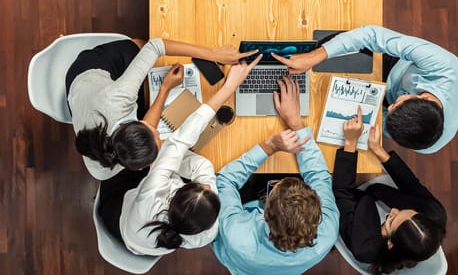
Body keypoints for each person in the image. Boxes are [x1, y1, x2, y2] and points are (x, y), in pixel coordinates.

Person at [97, 55, 263, 256]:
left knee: (133, 146)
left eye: (200, 187)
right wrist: (176, 163)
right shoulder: (206, 232)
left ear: (176, 194)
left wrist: (228, 88)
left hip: (117, 213)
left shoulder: (153, 192)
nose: (209, 186)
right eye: (209, 190)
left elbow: (179, 141)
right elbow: (203, 168)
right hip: (144, 239)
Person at [65, 37, 257, 180]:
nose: (157, 130)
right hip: (85, 103)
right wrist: (164, 89)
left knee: (138, 45)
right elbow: (148, 131)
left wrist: (214, 54)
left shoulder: (118, 98)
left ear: (134, 124)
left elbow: (155, 45)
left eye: (153, 131)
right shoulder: (102, 171)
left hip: (85, 74)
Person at [211, 77, 340, 275]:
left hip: (238, 249)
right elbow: (319, 177)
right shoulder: (328, 229)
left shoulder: (237, 235)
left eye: (277, 187)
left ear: (265, 210)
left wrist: (270, 146)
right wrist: (295, 122)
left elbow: (224, 180)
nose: (277, 182)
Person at [272, 25, 458, 153]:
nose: (388, 108)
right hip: (394, 67)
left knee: (318, 106)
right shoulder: (443, 65)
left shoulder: (425, 143)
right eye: (397, 104)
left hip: (371, 97)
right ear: (423, 97)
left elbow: (383, 121)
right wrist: (317, 56)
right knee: (324, 46)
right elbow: (371, 34)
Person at [332, 106, 447, 274]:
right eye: (406, 211)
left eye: (392, 219)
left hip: (350, 202)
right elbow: (411, 185)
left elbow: (341, 192)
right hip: (376, 191)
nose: (393, 210)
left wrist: (350, 144)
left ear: (390, 243)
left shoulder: (364, 247)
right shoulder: (435, 214)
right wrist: (379, 151)